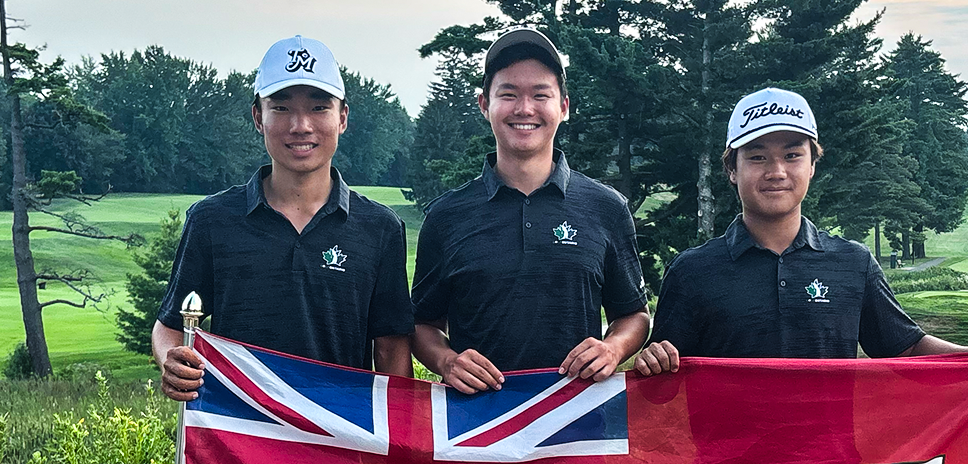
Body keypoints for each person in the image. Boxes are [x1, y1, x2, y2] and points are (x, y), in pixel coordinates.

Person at [634, 87, 968, 378]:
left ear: (813, 165)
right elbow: (666, 377)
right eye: (757, 157)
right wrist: (652, 361)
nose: (776, 171)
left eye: (792, 155)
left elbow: (906, 348)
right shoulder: (692, 271)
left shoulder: (852, 263)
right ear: (731, 169)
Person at [153, 35, 414, 401]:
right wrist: (171, 359)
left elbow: (391, 350)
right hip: (241, 429)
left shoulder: (380, 228)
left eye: (319, 107)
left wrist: (398, 427)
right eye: (281, 108)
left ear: (342, 117)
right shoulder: (211, 220)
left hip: (339, 430)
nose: (300, 125)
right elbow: (168, 327)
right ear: (258, 117)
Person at [411, 28, 650, 394]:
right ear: (484, 104)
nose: (524, 109)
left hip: (576, 417)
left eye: (541, 95)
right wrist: (446, 360)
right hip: (476, 422)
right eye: (508, 94)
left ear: (563, 107)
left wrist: (613, 348)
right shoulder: (446, 216)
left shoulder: (607, 208)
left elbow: (634, 315)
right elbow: (421, 324)